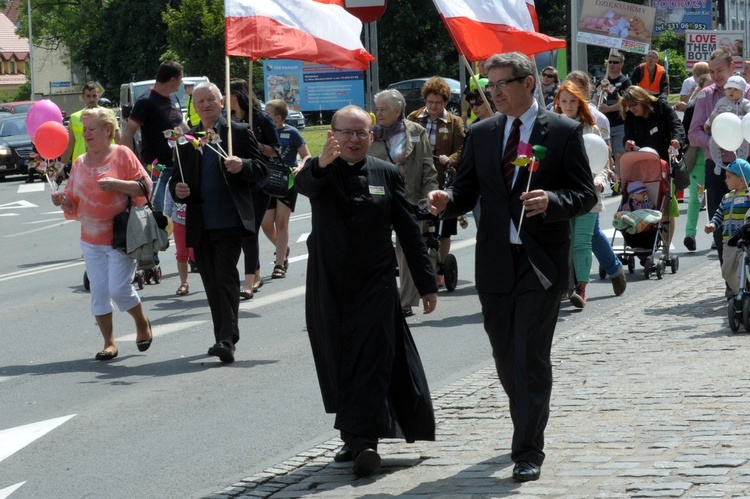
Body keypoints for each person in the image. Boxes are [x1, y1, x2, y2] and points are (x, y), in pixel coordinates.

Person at [427, 52, 597, 482]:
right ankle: (528, 414)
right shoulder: (482, 133)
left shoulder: (561, 130)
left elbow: (584, 194)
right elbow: (465, 191)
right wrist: (446, 203)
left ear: (528, 84)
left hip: (540, 263)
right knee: (505, 353)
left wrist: (552, 201)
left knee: (529, 353)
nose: (494, 91)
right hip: (495, 263)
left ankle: (527, 449)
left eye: (503, 83)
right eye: (490, 83)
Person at [296, 105, 438, 478]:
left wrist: (426, 283)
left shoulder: (386, 173)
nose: (353, 140)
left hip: (375, 283)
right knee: (338, 358)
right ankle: (352, 434)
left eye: (361, 133)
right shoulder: (320, 170)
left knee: (370, 358)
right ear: (333, 135)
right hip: (328, 282)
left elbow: (408, 231)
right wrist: (319, 165)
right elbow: (304, 186)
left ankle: (365, 444)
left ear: (371, 137)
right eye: (346, 133)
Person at [169, 82, 267, 363]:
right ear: (194, 106)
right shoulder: (187, 139)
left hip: (229, 220)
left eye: (210, 100)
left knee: (225, 277)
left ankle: (227, 339)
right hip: (200, 222)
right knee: (211, 282)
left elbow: (260, 168)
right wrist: (179, 189)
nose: (205, 105)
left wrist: (242, 166)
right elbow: (177, 178)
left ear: (221, 102)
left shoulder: (237, 131)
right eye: (199, 101)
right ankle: (221, 337)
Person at [50, 107, 153, 361]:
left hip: (119, 237)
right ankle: (109, 343)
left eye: (91, 129)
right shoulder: (79, 162)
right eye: (84, 130)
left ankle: (141, 322)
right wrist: (62, 200)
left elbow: (145, 187)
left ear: (107, 130)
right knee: (98, 291)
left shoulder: (122, 154)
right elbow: (73, 202)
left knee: (118, 289)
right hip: (90, 238)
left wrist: (117, 184)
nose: (86, 134)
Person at [553, 80, 625, 307]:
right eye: (563, 101)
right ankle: (613, 269)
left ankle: (580, 289)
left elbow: (602, 161)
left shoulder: (591, 128)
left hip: (588, 191)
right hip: (561, 192)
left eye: (572, 101)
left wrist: (600, 180)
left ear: (580, 102)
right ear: (557, 103)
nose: (568, 105)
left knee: (582, 240)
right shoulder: (550, 127)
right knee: (565, 240)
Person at [370, 89, 438, 316]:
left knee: (407, 250)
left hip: (410, 199)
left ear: (398, 110)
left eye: (383, 109)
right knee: (376, 249)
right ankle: (379, 296)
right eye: (377, 109)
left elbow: (427, 166)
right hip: (378, 200)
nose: (378, 113)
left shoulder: (415, 132)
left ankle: (405, 302)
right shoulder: (371, 135)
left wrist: (431, 194)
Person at [688, 48, 750, 270]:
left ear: (733, 67)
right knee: (721, 221)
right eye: (712, 71)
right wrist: (718, 140)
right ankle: (729, 279)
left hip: (746, 164)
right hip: (716, 166)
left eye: (720, 70)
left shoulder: (748, 92)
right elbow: (694, 133)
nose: (716, 76)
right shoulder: (705, 94)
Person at [406, 76, 466, 288]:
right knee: (420, 224)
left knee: (443, 228)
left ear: (445, 103)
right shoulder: (413, 118)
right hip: (417, 180)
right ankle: (420, 265)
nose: (433, 106)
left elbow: (462, 149)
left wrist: (450, 159)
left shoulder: (453, 122)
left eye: (438, 103)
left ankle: (441, 265)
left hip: (443, 180)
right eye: (430, 102)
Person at [229, 78, 279, 299]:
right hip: (237, 183)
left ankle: (250, 279)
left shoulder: (261, 119)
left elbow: (276, 150)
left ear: (237, 95)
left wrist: (255, 144)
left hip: (259, 183)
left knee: (250, 230)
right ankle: (255, 271)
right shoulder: (227, 120)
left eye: (227, 93)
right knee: (242, 232)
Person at [621, 85, 686, 250]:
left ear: (642, 100)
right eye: (629, 106)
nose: (632, 109)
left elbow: (676, 126)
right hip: (642, 162)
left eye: (634, 105)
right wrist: (628, 142)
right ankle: (642, 241)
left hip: (664, 162)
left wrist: (677, 140)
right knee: (641, 202)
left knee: (666, 208)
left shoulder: (661, 107)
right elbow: (627, 136)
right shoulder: (631, 115)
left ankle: (666, 245)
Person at [120, 61, 186, 214]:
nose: (181, 83)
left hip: (178, 167)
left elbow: (181, 125)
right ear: (172, 80)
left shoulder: (173, 98)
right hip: (157, 170)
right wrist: (125, 165)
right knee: (159, 213)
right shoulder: (146, 101)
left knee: (178, 214)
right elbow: (128, 133)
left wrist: (199, 137)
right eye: (181, 79)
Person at [261, 99, 311, 279]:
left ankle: (279, 264)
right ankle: (282, 246)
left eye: (267, 113)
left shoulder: (292, 132)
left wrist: (300, 166)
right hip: (267, 179)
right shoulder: (263, 132)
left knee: (281, 222)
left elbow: (306, 155)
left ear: (278, 117)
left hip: (286, 180)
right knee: (266, 223)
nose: (263, 115)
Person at [705, 159, 750, 294]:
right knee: (727, 272)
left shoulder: (748, 195)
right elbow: (719, 214)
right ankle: (739, 292)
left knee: (742, 271)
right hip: (728, 242)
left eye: (729, 177)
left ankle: (743, 293)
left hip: (744, 241)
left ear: (741, 180)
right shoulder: (726, 197)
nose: (725, 180)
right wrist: (712, 225)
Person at [682, 73, 713, 252]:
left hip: (720, 157)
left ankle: (717, 236)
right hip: (700, 158)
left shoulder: (724, 104)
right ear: (700, 88)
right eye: (707, 87)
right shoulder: (693, 107)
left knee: (718, 197)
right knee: (696, 197)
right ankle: (689, 234)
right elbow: (686, 131)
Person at [62, 81, 121, 166]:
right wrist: (60, 167)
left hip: (106, 162)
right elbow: (69, 145)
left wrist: (124, 160)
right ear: (83, 97)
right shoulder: (74, 117)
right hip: (82, 165)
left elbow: (118, 140)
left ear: (99, 96)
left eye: (94, 96)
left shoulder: (108, 114)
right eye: (88, 96)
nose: (92, 99)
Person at [706, 75, 750, 171]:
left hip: (739, 131)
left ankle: (741, 162)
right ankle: (718, 163)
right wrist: (708, 123)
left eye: (735, 89)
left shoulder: (744, 103)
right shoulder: (721, 102)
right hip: (722, 131)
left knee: (744, 143)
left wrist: (742, 118)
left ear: (741, 92)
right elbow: (714, 113)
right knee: (713, 142)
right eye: (729, 88)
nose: (731, 91)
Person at [597, 50, 631, 176]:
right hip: (604, 125)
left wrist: (609, 108)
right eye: (610, 62)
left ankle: (618, 181)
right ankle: (609, 177)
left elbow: (626, 102)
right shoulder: (602, 81)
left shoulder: (625, 81)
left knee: (619, 154)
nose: (612, 65)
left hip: (619, 123)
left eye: (615, 62)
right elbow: (596, 98)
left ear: (621, 64)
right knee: (606, 153)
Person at [164, 187, 193, 296]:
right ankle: (184, 283)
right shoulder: (173, 180)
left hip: (196, 222)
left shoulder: (196, 176)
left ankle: (211, 282)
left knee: (196, 254)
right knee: (181, 252)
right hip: (178, 222)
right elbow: (169, 202)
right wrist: (165, 219)